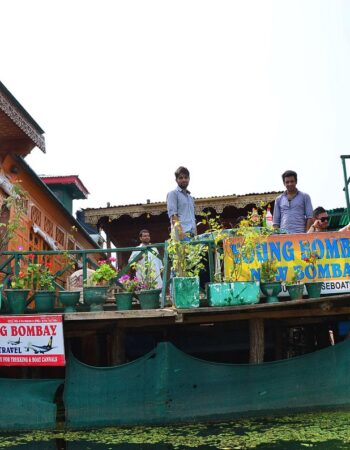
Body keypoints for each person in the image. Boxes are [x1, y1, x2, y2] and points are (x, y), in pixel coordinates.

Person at [166, 166, 196, 240]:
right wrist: (181, 234)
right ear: (176, 180)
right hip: (181, 235)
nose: (184, 180)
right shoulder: (173, 194)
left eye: (186, 177)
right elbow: (173, 215)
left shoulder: (190, 197)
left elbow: (193, 218)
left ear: (189, 179)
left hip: (193, 235)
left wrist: (195, 234)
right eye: (181, 178)